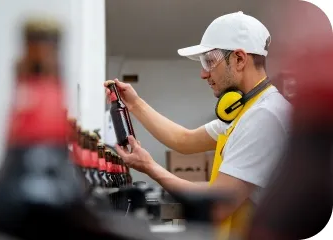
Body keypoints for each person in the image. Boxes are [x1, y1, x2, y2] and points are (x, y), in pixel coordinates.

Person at [104, 11, 291, 239]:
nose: (203, 73)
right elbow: (183, 140)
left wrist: (150, 167)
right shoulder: (243, 111)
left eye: (209, 61)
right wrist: (135, 104)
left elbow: (216, 206)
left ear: (240, 59)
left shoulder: (264, 116)